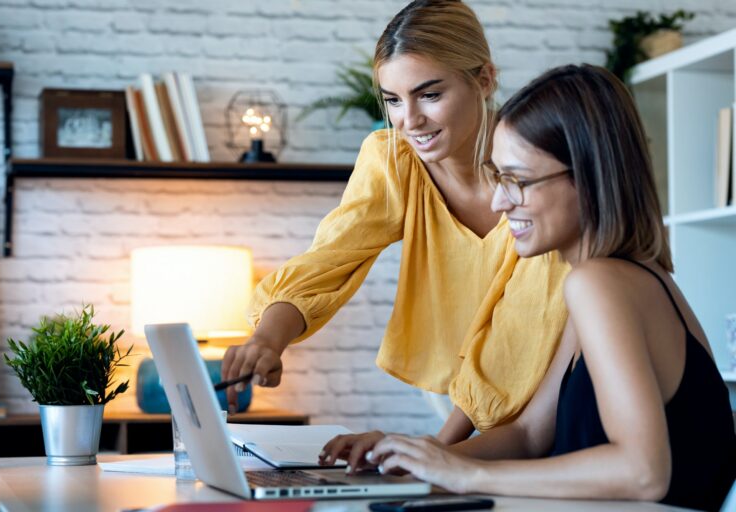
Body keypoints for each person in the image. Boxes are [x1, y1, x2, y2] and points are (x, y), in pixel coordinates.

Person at [362, 64, 736, 511]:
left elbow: (643, 473)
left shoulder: (599, 284)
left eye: (517, 180)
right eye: (498, 178)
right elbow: (529, 433)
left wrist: (466, 475)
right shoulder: (621, 278)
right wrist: (416, 462)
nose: (500, 203)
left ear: (588, 176)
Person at [222, 0, 569, 445]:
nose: (410, 120)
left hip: (566, 399)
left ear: (484, 79)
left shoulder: (541, 170)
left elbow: (527, 324)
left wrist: (438, 449)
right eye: (393, 101)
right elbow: (332, 258)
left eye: (429, 94)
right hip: (493, 427)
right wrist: (268, 340)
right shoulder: (396, 162)